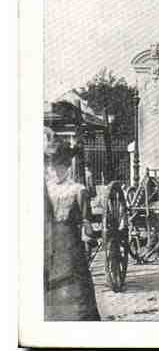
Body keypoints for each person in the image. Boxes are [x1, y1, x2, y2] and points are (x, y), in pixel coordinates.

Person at [44, 131, 100, 321]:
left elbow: (85, 219)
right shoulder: (45, 189)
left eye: (59, 167)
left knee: (75, 286)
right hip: (48, 241)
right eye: (51, 167)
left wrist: (89, 237)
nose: (54, 172)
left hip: (71, 243)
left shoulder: (78, 190)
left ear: (67, 167)